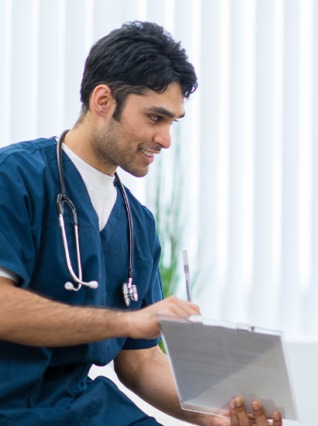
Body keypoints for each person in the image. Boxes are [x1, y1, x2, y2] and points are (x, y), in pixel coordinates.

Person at [0, 21, 280, 426]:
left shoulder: (138, 226)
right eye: (154, 117)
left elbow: (141, 359)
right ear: (102, 100)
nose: (165, 139)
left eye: (172, 123)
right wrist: (128, 320)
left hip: (80, 408)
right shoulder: (15, 178)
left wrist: (212, 417)